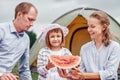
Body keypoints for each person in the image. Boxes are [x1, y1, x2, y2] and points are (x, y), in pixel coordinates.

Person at [58, 11, 120, 80]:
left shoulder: (114, 46)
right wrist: (68, 76)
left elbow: (110, 73)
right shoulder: (84, 48)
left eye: (92, 26)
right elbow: (81, 74)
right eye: (88, 26)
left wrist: (83, 75)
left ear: (104, 27)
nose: (89, 30)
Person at [0, 2, 38, 80]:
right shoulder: (1, 30)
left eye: (33, 20)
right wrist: (1, 74)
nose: (32, 24)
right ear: (19, 15)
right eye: (30, 19)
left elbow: (24, 69)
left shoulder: (26, 39)